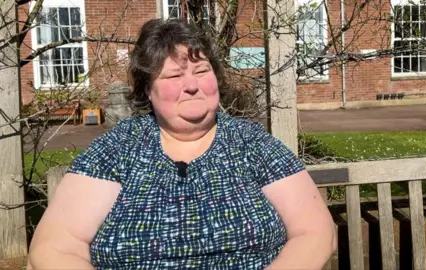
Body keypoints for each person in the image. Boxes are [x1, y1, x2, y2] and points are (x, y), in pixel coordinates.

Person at [27, 19, 336, 269]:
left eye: (201, 71)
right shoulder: (116, 150)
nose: (191, 85)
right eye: (174, 76)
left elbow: (315, 232)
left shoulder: (254, 144)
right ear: (148, 90)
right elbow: (55, 247)